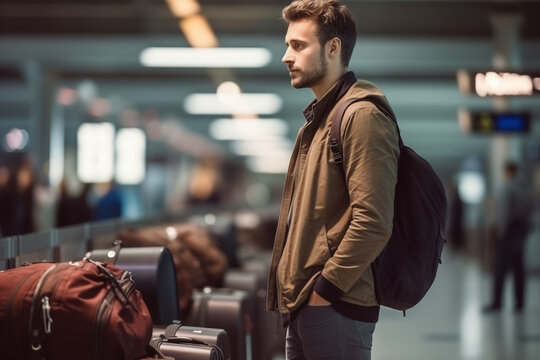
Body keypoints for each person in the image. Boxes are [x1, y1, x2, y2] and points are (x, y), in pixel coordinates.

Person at [266, 1, 400, 359]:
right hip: (304, 304)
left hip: (335, 304)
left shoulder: (361, 117)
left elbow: (373, 222)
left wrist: (324, 290)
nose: (285, 56)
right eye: (287, 44)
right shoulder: (318, 123)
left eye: (298, 45)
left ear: (333, 48)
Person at [483, 161, 532, 313]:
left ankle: (497, 303)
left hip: (507, 233)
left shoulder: (507, 189)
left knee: (500, 269)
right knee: (518, 269)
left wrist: (499, 233)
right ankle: (519, 303)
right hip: (520, 232)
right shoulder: (526, 190)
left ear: (508, 172)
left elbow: (503, 213)